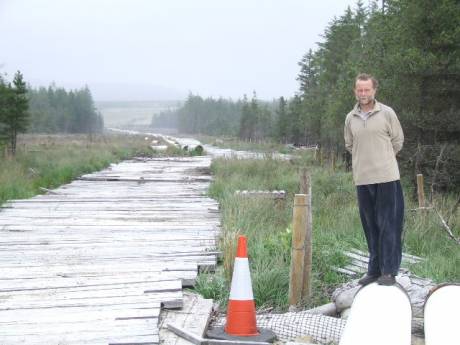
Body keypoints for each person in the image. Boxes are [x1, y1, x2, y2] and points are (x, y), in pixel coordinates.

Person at [344, 73, 405, 286]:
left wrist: (383, 159)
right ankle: (374, 270)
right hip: (362, 179)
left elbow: (397, 141)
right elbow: (350, 145)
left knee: (389, 224)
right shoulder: (350, 118)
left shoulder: (387, 113)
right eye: (359, 90)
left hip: (387, 177)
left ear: (374, 90)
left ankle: (389, 271)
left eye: (367, 90)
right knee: (370, 225)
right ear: (355, 91)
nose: (363, 93)